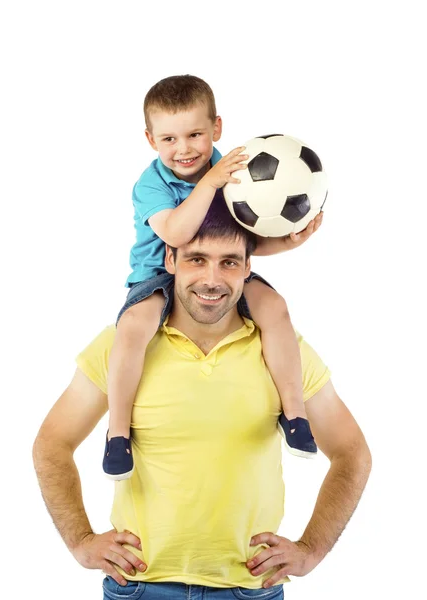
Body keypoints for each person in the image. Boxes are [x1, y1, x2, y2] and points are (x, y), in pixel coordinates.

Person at [32, 197, 372, 598]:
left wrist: (311, 550)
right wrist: (81, 541)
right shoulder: (123, 346)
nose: (212, 279)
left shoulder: (284, 353)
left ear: (248, 268)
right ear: (170, 261)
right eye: (196, 259)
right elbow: (52, 444)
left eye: (229, 262)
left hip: (249, 589)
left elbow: (352, 453)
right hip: (141, 586)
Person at [105, 74, 324, 480]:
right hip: (159, 274)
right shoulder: (151, 185)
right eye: (168, 139)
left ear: (216, 129)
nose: (183, 149)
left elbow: (244, 241)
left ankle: (294, 414)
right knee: (134, 324)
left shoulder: (238, 172)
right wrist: (209, 182)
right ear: (151, 140)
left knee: (274, 307)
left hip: (219, 273)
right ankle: (118, 432)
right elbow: (176, 234)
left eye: (194, 134)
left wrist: (290, 242)